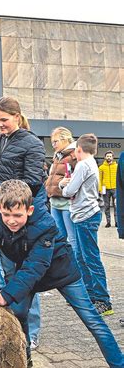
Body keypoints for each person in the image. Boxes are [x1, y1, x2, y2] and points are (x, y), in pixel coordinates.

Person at [0, 180, 124, 368]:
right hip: (27, 273)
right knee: (19, 314)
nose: (11, 220)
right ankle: (24, 360)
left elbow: (37, 266)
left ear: (29, 210)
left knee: (93, 322)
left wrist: (6, 294)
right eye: (6, 214)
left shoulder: (46, 224)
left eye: (17, 215)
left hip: (60, 272)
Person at [0, 96, 46, 349]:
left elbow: (32, 181)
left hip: (23, 218)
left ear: (17, 117)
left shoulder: (32, 143)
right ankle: (13, 328)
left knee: (25, 277)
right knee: (5, 274)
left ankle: (30, 333)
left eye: (4, 120)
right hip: (1, 215)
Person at [60, 134, 113, 316]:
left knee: (90, 258)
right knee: (83, 257)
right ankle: (91, 295)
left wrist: (62, 184)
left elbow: (69, 191)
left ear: (79, 150)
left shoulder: (83, 165)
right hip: (86, 215)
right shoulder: (92, 164)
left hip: (85, 215)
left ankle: (103, 300)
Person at [45, 127, 77, 256]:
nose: (53, 145)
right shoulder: (57, 156)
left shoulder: (74, 155)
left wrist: (61, 184)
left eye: (55, 141)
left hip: (67, 203)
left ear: (65, 139)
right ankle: (65, 269)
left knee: (72, 239)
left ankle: (76, 270)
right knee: (59, 238)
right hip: (54, 202)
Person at [99, 151, 118, 228]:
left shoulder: (117, 166)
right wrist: (100, 189)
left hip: (115, 188)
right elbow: (99, 179)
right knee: (106, 206)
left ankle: (117, 222)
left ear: (113, 157)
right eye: (107, 156)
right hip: (105, 189)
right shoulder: (101, 167)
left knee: (116, 206)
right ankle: (108, 222)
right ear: (105, 157)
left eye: (110, 156)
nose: (109, 157)